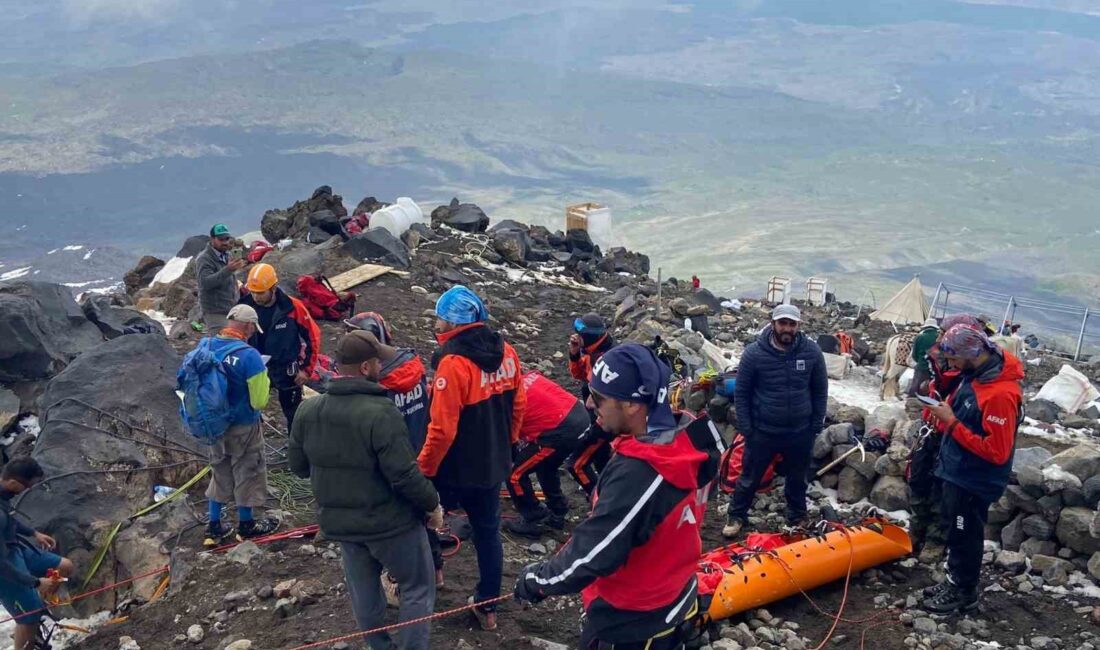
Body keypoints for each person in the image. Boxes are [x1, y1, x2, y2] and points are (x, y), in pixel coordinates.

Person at [514, 344, 715, 649]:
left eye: (598, 398)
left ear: (633, 405)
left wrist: (539, 580)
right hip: (675, 592)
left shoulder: (642, 471)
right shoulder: (688, 441)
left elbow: (596, 552)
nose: (591, 405)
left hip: (634, 620)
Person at [290, 332, 443, 650]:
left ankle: (380, 646)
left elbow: (299, 467)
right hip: (390, 524)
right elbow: (404, 475)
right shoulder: (381, 413)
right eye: (377, 361)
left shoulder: (308, 411)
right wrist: (432, 505)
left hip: (343, 526)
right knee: (417, 587)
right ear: (364, 368)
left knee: (364, 593)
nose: (381, 366)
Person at [418, 285, 526, 631]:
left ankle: (433, 575)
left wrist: (424, 470)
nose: (437, 325)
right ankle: (488, 607)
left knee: (425, 516)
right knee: (488, 532)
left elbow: (442, 430)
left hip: (454, 468)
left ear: (452, 324)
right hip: (492, 463)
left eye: (440, 319)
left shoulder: (452, 364)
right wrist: (507, 445)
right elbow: (519, 405)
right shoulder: (507, 351)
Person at [921, 325, 1023, 613]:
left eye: (953, 359)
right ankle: (955, 580)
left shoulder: (1000, 394)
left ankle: (964, 592)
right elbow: (967, 420)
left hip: (974, 480)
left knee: (966, 533)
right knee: (956, 530)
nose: (950, 366)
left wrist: (951, 421)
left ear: (970, 354)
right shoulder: (974, 377)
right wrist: (942, 415)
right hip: (958, 472)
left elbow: (997, 451)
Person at [344, 313, 443, 586]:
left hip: (392, 462)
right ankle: (436, 571)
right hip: (422, 451)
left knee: (402, 523)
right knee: (426, 509)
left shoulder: (377, 383)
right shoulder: (411, 364)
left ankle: (404, 580)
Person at [723, 304, 827, 538]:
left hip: (800, 431)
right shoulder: (754, 353)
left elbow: (820, 390)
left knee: (798, 478)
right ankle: (736, 515)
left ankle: (797, 515)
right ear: (773, 324)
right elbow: (742, 393)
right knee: (749, 477)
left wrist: (816, 424)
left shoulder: (811, 352)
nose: (787, 328)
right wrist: (747, 428)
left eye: (792, 324)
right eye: (783, 323)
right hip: (763, 430)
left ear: (798, 326)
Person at [194, 304, 280, 546]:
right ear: (249, 325)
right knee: (247, 470)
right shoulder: (250, 356)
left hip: (213, 425)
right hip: (243, 425)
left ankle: (214, 527)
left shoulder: (207, 345)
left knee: (219, 469)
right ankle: (246, 525)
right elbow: (260, 400)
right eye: (254, 327)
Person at [907, 314, 981, 556]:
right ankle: (916, 529)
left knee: (942, 488)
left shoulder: (971, 373)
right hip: (932, 430)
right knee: (919, 479)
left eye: (944, 333)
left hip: (952, 434)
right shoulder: (938, 363)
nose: (939, 338)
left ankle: (936, 539)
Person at [0, 458, 74, 650]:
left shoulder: (3, 497)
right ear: (14, 483)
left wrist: (33, 533)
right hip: (4, 567)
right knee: (28, 618)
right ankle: (29, 623)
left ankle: (35, 611)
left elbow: (10, 522)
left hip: (15, 548)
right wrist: (36, 582)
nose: (28, 490)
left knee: (64, 566)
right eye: (26, 487)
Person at [503, 371, 588, 538]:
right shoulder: (527, 377)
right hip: (578, 415)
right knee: (546, 466)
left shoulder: (506, 402)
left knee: (515, 475)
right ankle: (558, 510)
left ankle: (533, 518)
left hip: (560, 430)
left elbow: (508, 441)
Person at [238, 263, 321, 433]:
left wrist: (306, 370)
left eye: (260, 293)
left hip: (286, 369)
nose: (255, 297)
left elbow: (313, 336)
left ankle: (296, 449)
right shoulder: (245, 307)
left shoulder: (292, 307)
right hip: (256, 367)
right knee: (249, 408)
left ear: (273, 288)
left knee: (294, 414)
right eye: (253, 292)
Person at [567, 313, 616, 495]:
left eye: (579, 334)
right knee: (600, 457)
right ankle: (606, 490)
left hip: (604, 419)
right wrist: (574, 355)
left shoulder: (606, 358)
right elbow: (580, 375)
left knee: (576, 463)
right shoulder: (592, 351)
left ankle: (600, 499)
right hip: (596, 415)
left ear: (587, 336)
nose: (575, 336)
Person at [195, 224, 246, 331]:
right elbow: (205, 283)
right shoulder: (204, 258)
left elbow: (227, 278)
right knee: (223, 343)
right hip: (215, 311)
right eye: (221, 239)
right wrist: (228, 270)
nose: (225, 242)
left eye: (227, 238)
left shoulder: (226, 255)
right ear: (212, 239)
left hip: (230, 309)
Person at [909, 318, 940, 397]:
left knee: (915, 388)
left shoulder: (919, 337)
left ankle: (912, 404)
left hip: (921, 367)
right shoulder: (939, 338)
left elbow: (914, 355)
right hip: (936, 370)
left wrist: (920, 361)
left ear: (925, 327)